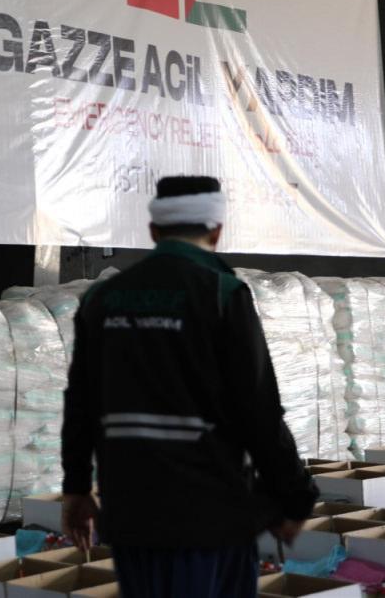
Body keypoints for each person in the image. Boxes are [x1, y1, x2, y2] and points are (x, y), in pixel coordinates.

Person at [60, 175, 317, 598]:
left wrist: (75, 488)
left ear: (154, 231)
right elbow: (259, 411)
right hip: (208, 516)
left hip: (131, 515)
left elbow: (80, 404)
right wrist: (293, 498)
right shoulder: (221, 293)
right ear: (216, 230)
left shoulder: (101, 299)